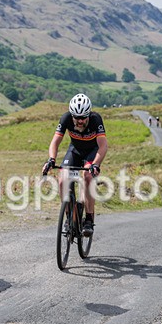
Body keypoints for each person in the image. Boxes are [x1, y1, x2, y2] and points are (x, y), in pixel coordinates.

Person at [42, 93, 107, 237]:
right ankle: (68, 218)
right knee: (62, 180)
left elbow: (103, 146)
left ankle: (89, 218)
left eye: (83, 117)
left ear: (88, 115)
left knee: (88, 176)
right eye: (76, 117)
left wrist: (95, 164)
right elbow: (55, 141)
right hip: (75, 151)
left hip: (92, 152)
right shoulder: (66, 118)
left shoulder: (96, 120)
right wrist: (51, 159)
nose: (79, 121)